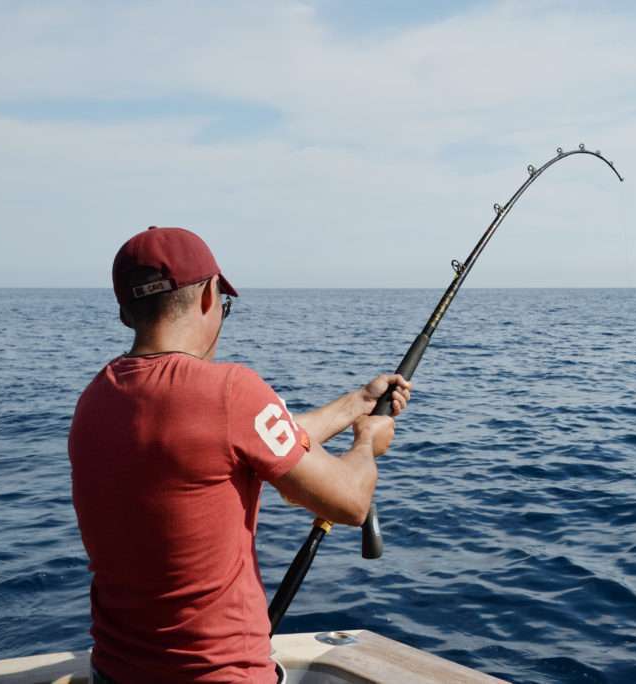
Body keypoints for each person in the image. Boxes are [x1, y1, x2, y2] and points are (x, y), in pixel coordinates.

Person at [69, 226, 411, 683]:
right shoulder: (231, 392)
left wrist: (357, 403)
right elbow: (349, 502)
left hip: (114, 672)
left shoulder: (95, 399)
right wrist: (367, 442)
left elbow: (252, 439)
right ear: (208, 296)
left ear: (124, 313)